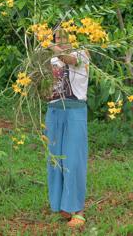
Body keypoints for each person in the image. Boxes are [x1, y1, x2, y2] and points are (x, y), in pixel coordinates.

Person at [45, 28, 89, 228]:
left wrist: (48, 45)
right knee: (55, 159)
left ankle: (78, 210)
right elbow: (48, 84)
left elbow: (70, 60)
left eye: (64, 37)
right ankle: (61, 205)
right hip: (54, 111)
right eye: (57, 38)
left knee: (74, 159)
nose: (61, 40)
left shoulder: (82, 53)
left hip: (75, 111)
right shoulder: (53, 60)